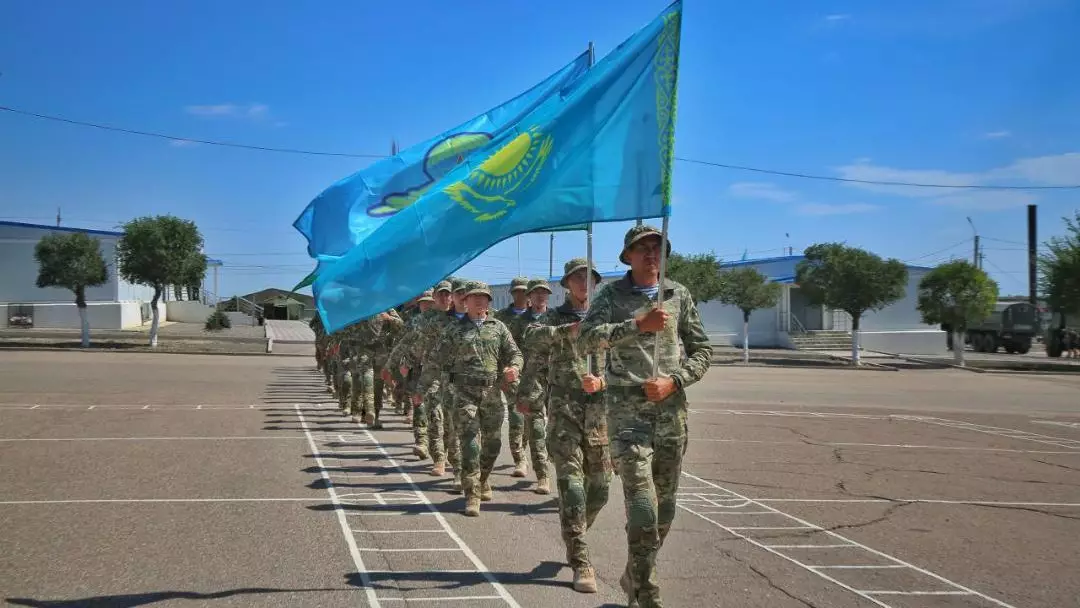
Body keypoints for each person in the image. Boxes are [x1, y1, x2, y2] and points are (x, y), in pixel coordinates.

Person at [573, 224, 712, 608]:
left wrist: (676, 381)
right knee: (641, 504)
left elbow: (702, 350)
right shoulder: (612, 295)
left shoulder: (678, 294)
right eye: (642, 248)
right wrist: (637, 325)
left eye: (657, 247)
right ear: (627, 256)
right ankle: (648, 595)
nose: (651, 254)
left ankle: (635, 572)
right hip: (626, 411)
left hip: (670, 411)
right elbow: (586, 339)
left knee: (664, 509)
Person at [521, 259, 609, 593]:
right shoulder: (553, 319)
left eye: (590, 278)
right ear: (567, 284)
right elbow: (532, 339)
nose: (584, 283)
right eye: (577, 278)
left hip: (601, 414)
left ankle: (575, 528)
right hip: (564, 412)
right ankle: (580, 559)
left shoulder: (607, 318)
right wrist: (566, 332)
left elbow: (628, 359)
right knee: (572, 487)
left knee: (599, 488)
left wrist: (603, 382)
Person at [436, 281, 522, 516]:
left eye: (484, 297)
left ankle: (483, 479)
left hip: (492, 393)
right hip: (464, 394)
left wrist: (514, 367)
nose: (479, 301)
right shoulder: (454, 330)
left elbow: (514, 353)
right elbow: (439, 359)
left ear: (488, 302)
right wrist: (445, 387)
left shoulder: (499, 328)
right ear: (465, 302)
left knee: (493, 445)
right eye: (474, 297)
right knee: (471, 445)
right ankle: (472, 494)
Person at [515, 278, 555, 493]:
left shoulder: (556, 318)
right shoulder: (519, 323)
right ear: (528, 297)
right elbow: (512, 351)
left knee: (557, 432)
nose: (541, 296)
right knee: (537, 430)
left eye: (544, 293)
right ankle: (543, 476)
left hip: (558, 381)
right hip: (531, 381)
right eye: (536, 293)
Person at [493, 277, 531, 478]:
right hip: (509, 373)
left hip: (534, 373)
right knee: (516, 414)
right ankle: (520, 458)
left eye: (524, 291)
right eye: (517, 291)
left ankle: (523, 448)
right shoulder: (501, 317)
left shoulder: (540, 316)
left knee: (531, 418)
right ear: (512, 293)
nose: (521, 294)